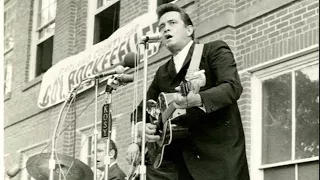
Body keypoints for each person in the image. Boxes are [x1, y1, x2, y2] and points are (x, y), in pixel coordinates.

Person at [127, 3, 250, 180]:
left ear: (189, 29)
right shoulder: (163, 71)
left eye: (172, 23)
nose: (165, 28)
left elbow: (232, 86)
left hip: (218, 162)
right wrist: (140, 127)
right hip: (178, 166)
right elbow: (140, 111)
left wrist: (198, 99)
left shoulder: (213, 51)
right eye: (161, 26)